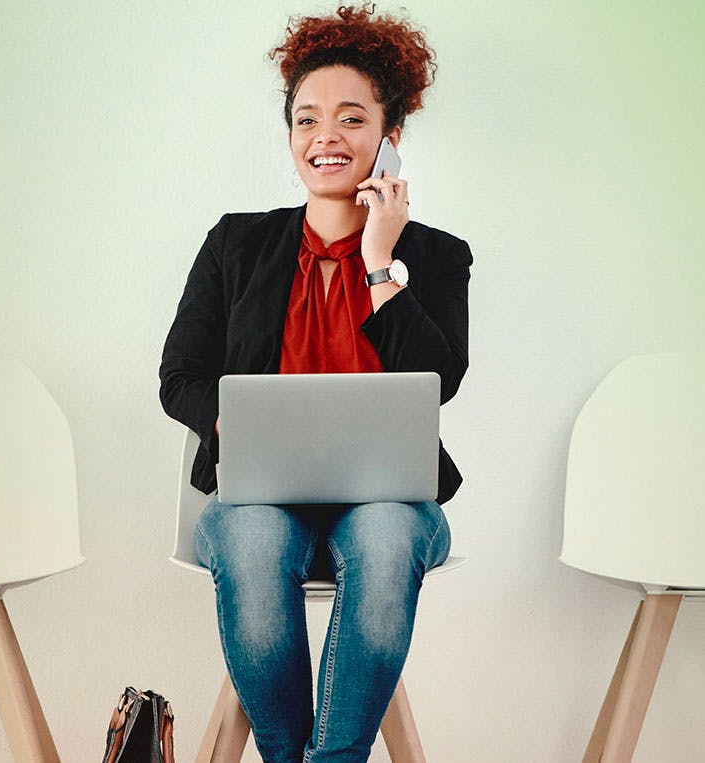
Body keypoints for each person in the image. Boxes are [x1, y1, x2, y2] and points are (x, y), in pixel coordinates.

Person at [159, 5, 472, 761]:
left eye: (350, 118)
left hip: (387, 505)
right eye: (305, 119)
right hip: (261, 500)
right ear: (290, 134)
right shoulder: (236, 241)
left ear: (388, 138)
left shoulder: (433, 255)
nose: (323, 136)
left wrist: (378, 261)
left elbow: (439, 381)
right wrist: (234, 423)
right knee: (253, 532)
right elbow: (180, 377)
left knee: (390, 528)